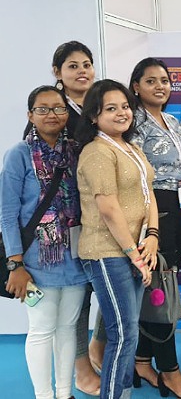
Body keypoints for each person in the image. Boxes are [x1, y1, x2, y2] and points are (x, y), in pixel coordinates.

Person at [1, 85, 87, 399]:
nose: (52, 114)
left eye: (58, 108)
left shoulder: (77, 151)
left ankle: (64, 393)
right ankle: (44, 395)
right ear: (30, 115)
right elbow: (7, 213)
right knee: (41, 329)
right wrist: (16, 264)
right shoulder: (19, 155)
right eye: (43, 109)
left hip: (75, 257)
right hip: (35, 262)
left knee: (67, 328)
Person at [76, 79, 158, 399]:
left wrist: (152, 237)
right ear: (94, 116)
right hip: (107, 252)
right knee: (123, 334)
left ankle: (121, 393)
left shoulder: (131, 148)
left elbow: (148, 193)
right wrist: (134, 254)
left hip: (133, 250)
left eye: (125, 106)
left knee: (129, 333)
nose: (122, 113)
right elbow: (108, 209)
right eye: (111, 108)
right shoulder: (97, 151)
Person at [129, 58, 181, 398]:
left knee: (159, 286)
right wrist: (149, 223)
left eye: (164, 80)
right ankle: (170, 371)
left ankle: (142, 360)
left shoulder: (172, 120)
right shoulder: (134, 123)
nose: (160, 86)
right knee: (160, 290)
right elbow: (134, 177)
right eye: (151, 81)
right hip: (151, 209)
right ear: (136, 86)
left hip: (176, 208)